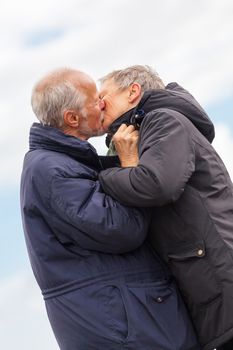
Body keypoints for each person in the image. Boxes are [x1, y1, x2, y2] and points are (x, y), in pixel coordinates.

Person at [20, 68, 200, 350]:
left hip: (132, 319)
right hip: (125, 327)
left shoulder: (65, 162)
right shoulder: (51, 170)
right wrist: (131, 166)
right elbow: (121, 230)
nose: (103, 104)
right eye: (95, 100)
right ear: (72, 118)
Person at [98, 65, 233, 350]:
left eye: (104, 98)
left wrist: (107, 174)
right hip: (211, 281)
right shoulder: (151, 127)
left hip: (222, 279)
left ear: (133, 92)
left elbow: (158, 185)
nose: (98, 106)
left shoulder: (163, 120)